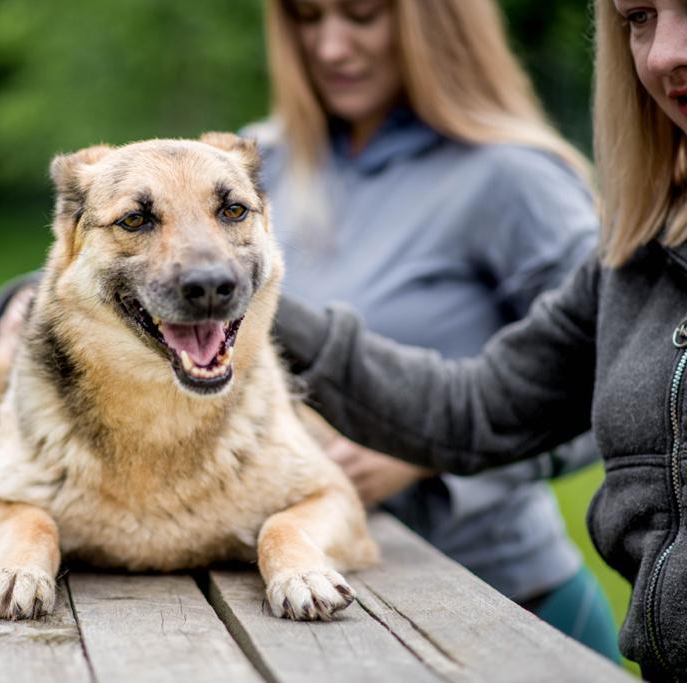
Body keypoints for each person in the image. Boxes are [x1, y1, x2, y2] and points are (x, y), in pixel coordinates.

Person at [271, 0, 687, 677]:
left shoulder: (511, 177)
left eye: (361, 15)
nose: (666, 51)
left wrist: (428, 470)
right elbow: (483, 405)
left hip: (495, 592)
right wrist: (249, 301)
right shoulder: (639, 248)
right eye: (638, 15)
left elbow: (589, 420)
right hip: (356, 593)